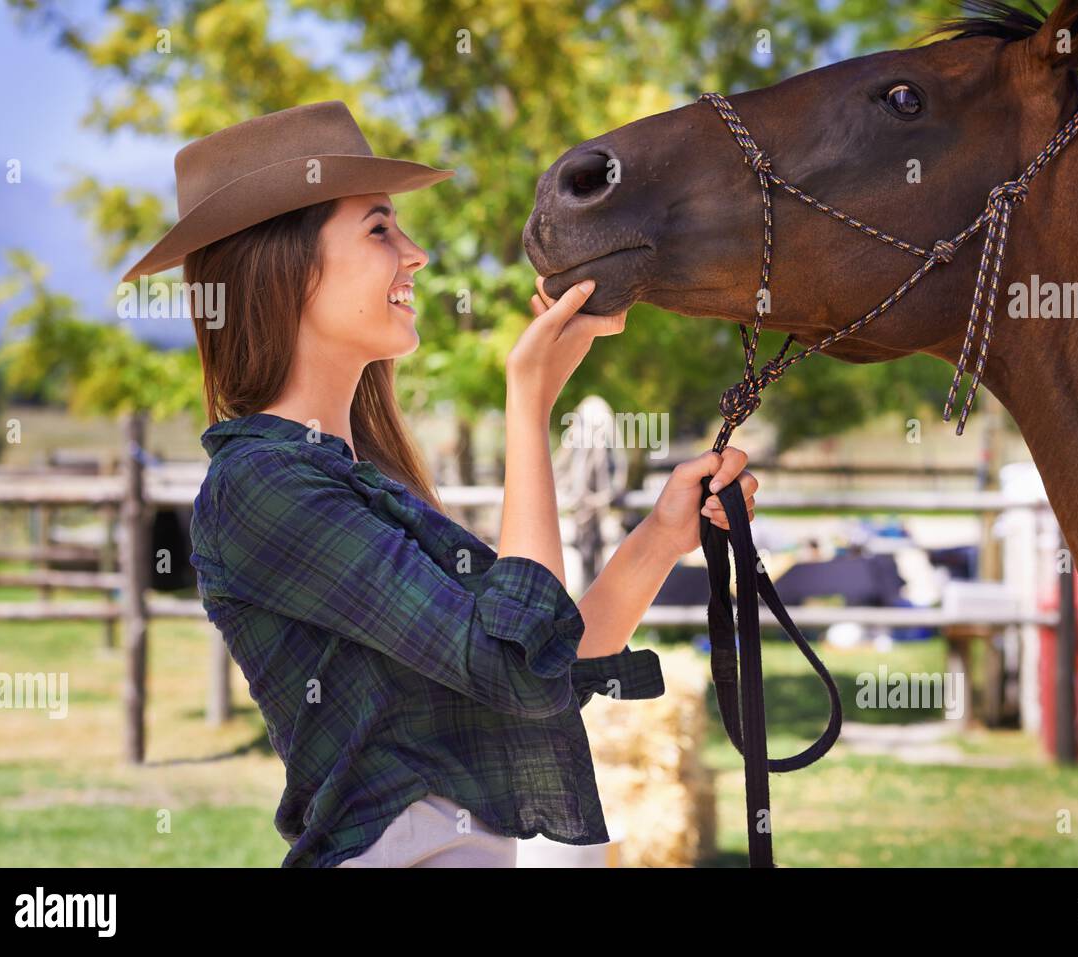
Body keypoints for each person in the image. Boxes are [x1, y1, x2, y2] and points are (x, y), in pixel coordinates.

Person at [118, 100, 759, 867]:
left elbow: (540, 657)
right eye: (379, 228)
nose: (415, 253)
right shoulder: (262, 488)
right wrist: (528, 405)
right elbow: (516, 670)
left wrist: (661, 536)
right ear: (285, 267)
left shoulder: (354, 476)